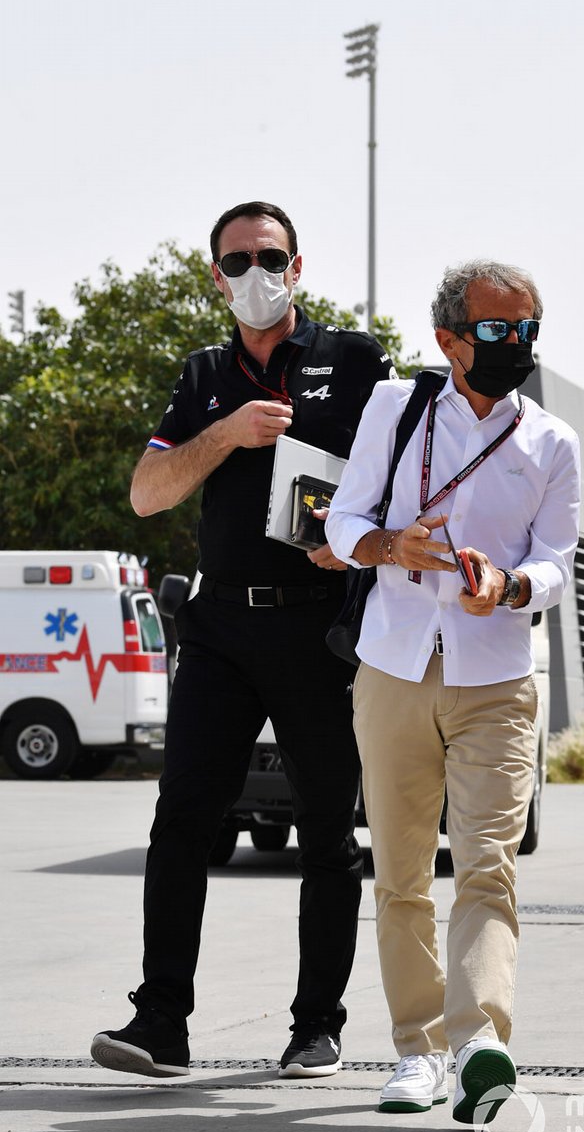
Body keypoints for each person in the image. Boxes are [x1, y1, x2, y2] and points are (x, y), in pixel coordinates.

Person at [91, 200, 395, 1080]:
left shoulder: (354, 360)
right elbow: (149, 493)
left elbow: (398, 479)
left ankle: (316, 1028)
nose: (253, 274)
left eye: (270, 257)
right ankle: (160, 1026)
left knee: (330, 833)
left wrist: (361, 543)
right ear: (214, 276)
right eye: (235, 261)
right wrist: (225, 432)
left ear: (298, 267)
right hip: (219, 626)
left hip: (318, 625)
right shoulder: (202, 375)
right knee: (181, 822)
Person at [325, 259, 580, 1124]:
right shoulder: (396, 411)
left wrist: (505, 587)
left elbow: (555, 564)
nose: (518, 346)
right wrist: (395, 548)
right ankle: (417, 1050)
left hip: (498, 679)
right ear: (449, 340)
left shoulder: (552, 442)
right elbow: (344, 521)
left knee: (487, 867)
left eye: (528, 332)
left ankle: (480, 1044)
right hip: (393, 666)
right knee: (399, 873)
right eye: (499, 332)